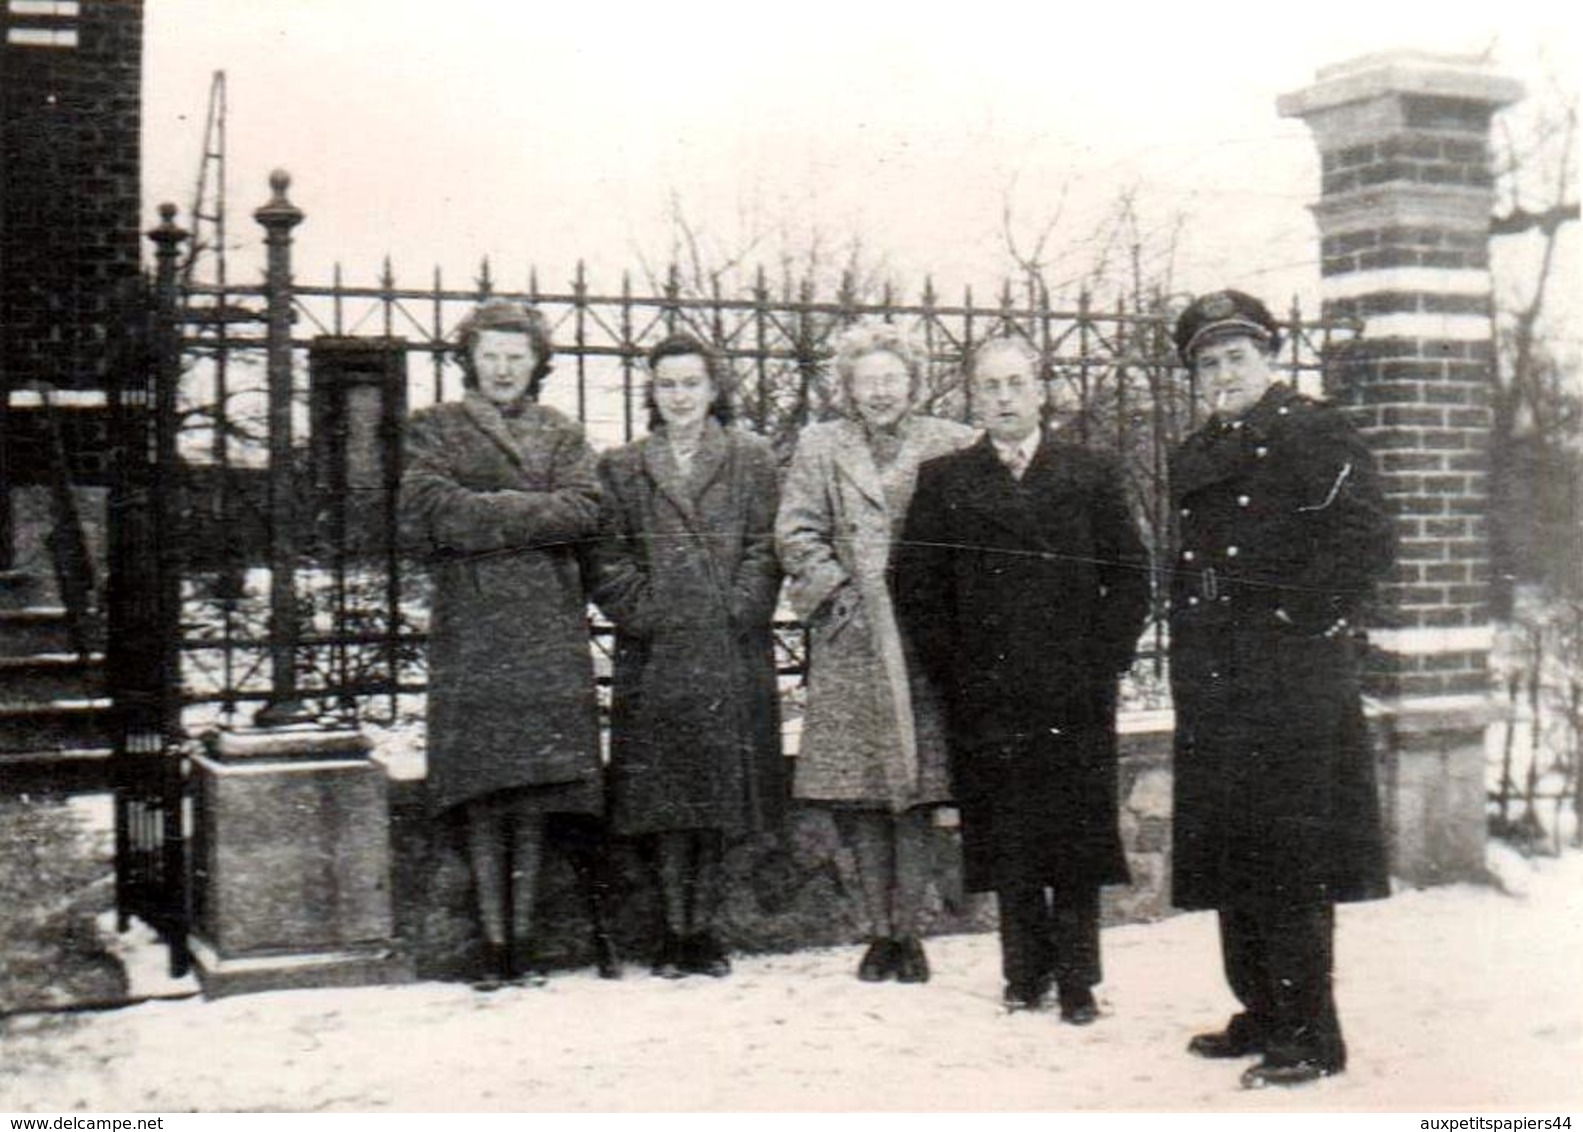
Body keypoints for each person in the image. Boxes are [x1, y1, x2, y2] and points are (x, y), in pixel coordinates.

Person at [1167, 289, 1394, 1087]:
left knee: (1290, 855)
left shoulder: (1314, 431)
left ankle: (1309, 1034)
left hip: (1292, 677)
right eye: (1206, 362)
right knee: (1235, 850)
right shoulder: (1194, 452)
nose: (1221, 372)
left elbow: (1367, 536)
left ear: (1267, 358)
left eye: (1235, 356)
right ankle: (1259, 1009)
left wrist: (1294, 614)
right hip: (1218, 679)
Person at [895, 335, 1151, 1024]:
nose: (1004, 398)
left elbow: (1129, 577)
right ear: (973, 398)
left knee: (1072, 834)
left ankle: (1076, 978)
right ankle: (1022, 971)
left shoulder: (1089, 471)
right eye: (989, 387)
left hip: (1072, 687)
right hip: (988, 691)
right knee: (1006, 831)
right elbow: (917, 589)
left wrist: (1101, 660)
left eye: (1015, 384)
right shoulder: (945, 479)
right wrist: (959, 672)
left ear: (1040, 390)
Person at [400, 298, 617, 988]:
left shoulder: (561, 432)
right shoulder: (432, 428)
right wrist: (531, 513)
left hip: (547, 629)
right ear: (468, 358)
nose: (501, 369)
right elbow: (430, 512)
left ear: (536, 364)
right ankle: (492, 945)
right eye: (489, 355)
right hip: (474, 630)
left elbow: (585, 510)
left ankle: (522, 942)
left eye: (515, 357)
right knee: (484, 791)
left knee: (534, 793)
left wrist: (484, 507)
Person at [775, 320, 977, 984]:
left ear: (912, 382)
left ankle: (911, 930)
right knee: (861, 792)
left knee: (915, 789)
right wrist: (837, 592)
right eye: (867, 381)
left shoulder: (951, 442)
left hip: (924, 638)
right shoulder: (819, 445)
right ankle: (877, 931)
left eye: (892, 379)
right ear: (848, 388)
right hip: (851, 637)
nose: (880, 392)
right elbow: (795, 530)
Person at [590, 333, 786, 979]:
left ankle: (703, 930)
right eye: (666, 384)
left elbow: (766, 545)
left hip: (727, 647)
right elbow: (606, 556)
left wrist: (737, 607)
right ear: (651, 392)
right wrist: (645, 611)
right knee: (664, 799)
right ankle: (673, 931)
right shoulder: (624, 466)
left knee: (718, 794)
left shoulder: (750, 458)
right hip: (657, 652)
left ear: (713, 389)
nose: (679, 397)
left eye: (691, 384)